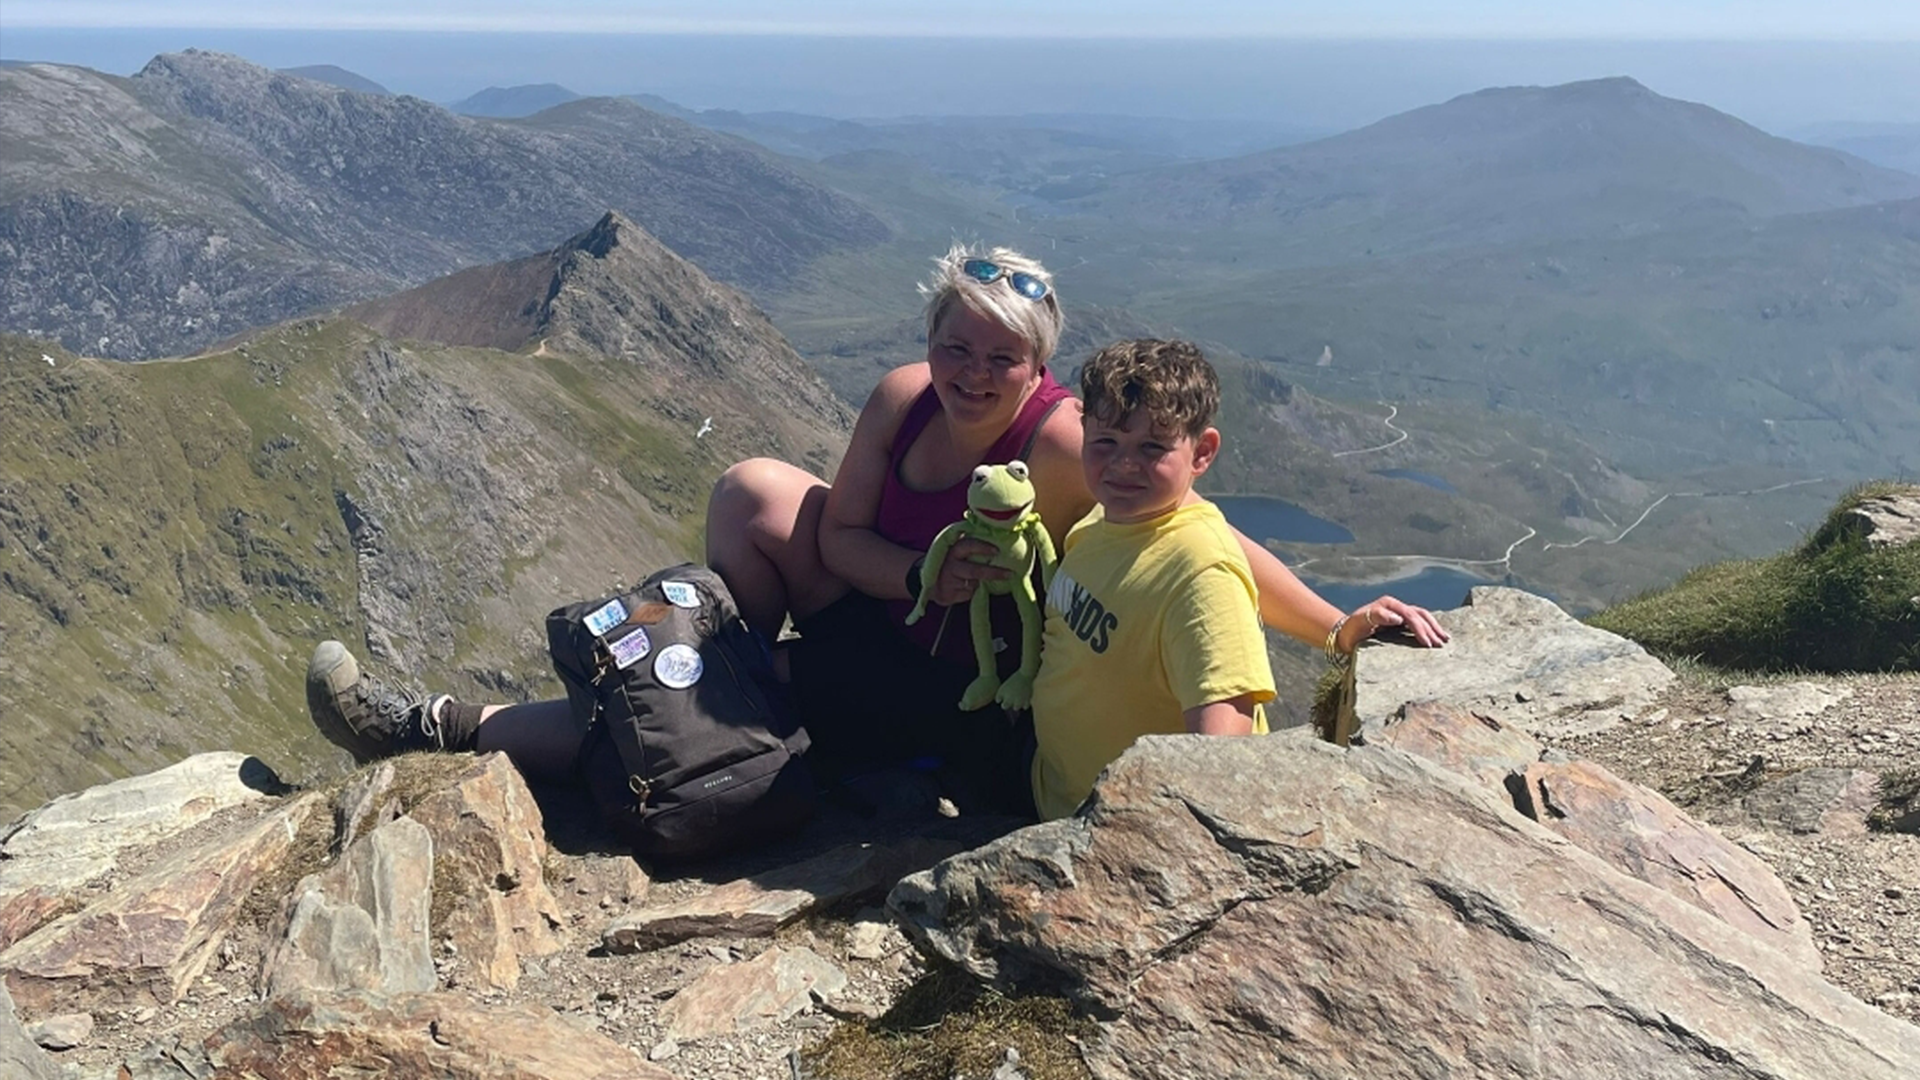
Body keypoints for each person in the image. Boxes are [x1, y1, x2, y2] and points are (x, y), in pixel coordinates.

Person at [307, 243, 1447, 817]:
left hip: (953, 679)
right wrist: (925, 579)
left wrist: (1338, 628)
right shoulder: (905, 395)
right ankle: (735, 689)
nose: (972, 371)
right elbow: (843, 532)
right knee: (755, 490)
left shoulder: (1069, 446)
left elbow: (1207, 541)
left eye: (1002, 355)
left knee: (704, 722)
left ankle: (436, 727)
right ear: (932, 336)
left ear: (1040, 364)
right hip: (892, 614)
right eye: (958, 343)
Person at [1028, 338, 1269, 820]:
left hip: (1117, 837)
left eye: (1152, 447)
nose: (1123, 464)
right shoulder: (1101, 521)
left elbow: (1220, 754)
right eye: (1105, 442)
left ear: (1202, 453)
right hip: (1053, 798)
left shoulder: (1203, 573)